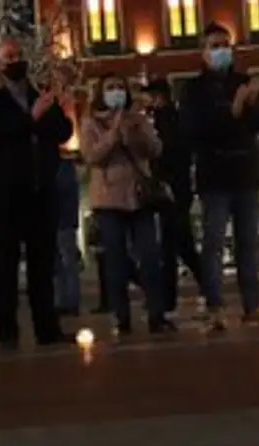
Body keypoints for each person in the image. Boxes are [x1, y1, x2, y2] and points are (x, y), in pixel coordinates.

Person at [0, 36, 73, 350]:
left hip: (41, 189)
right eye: (8, 57)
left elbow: (63, 131)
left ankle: (47, 328)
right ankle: (7, 331)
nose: (15, 61)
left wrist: (51, 107)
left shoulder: (38, 92)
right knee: (5, 264)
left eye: (18, 55)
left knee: (42, 263)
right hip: (7, 194)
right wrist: (31, 118)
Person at [180, 22, 259, 330]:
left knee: (249, 243)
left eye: (225, 44)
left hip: (246, 173)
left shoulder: (243, 81)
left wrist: (253, 103)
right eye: (214, 45)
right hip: (215, 176)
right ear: (203, 52)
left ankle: (253, 304)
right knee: (214, 242)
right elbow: (194, 131)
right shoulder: (193, 90)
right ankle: (216, 305)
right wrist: (232, 111)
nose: (221, 50)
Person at [80, 72, 166, 334]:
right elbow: (92, 156)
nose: (116, 91)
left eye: (120, 87)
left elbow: (154, 149)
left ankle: (156, 314)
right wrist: (113, 133)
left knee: (150, 256)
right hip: (108, 199)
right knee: (116, 261)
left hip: (140, 197)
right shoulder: (90, 123)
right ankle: (121, 315)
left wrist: (135, 130)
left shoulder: (138, 118)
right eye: (110, 88)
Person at [143, 78, 202, 322]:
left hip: (171, 189)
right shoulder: (173, 119)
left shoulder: (163, 120)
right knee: (180, 243)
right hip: (178, 188)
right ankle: (205, 286)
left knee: (171, 245)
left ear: (158, 96)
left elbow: (164, 153)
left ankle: (168, 298)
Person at [53, 153, 81, 316]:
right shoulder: (67, 168)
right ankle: (66, 300)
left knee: (65, 261)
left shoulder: (61, 168)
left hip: (62, 220)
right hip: (64, 219)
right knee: (64, 261)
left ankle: (68, 300)